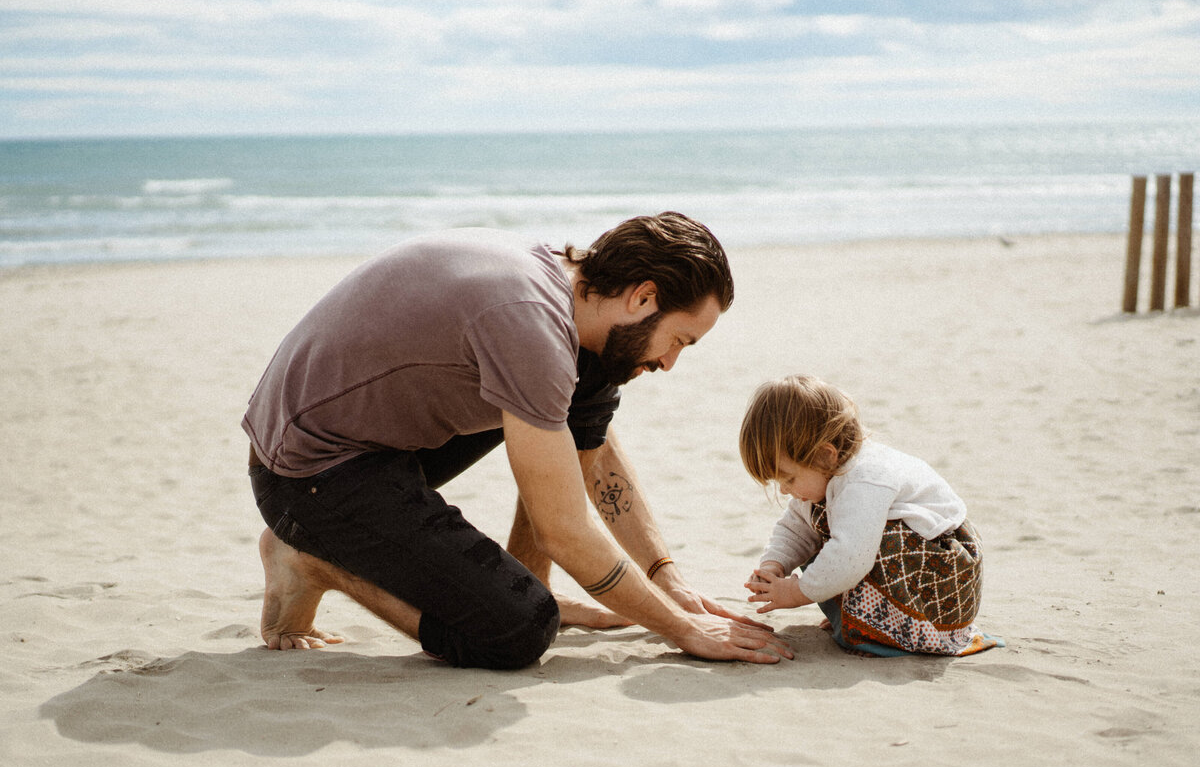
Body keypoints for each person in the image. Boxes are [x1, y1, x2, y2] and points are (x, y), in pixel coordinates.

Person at [243, 212, 792, 669]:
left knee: (589, 378)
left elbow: (589, 454)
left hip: (370, 436)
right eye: (679, 340)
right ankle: (313, 559)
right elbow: (565, 530)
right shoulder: (531, 326)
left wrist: (665, 581)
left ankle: (530, 579)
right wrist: (683, 630)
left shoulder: (564, 286)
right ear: (643, 296)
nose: (670, 363)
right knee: (516, 629)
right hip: (306, 473)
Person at [739, 374, 1002, 657]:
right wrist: (774, 565)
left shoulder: (864, 479)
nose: (785, 490)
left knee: (841, 544)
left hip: (941, 576)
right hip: (912, 569)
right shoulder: (826, 478)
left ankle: (894, 629)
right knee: (822, 525)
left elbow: (851, 557)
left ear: (825, 456)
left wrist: (795, 592)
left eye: (789, 479)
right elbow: (794, 528)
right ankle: (866, 621)